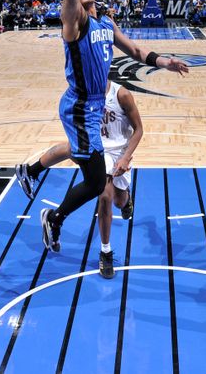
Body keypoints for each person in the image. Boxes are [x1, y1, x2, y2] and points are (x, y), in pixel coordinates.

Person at [39, 0, 188, 254]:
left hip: (93, 107)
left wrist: (165, 61)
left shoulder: (106, 23)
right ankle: (53, 213)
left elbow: (136, 52)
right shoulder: (75, 20)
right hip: (79, 106)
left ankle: (53, 210)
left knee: (97, 184)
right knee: (97, 184)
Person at [17, 80, 143, 278]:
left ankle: (127, 200)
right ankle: (106, 251)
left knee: (119, 201)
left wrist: (126, 157)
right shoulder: (81, 94)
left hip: (120, 152)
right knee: (104, 197)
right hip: (98, 151)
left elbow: (139, 130)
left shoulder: (121, 95)